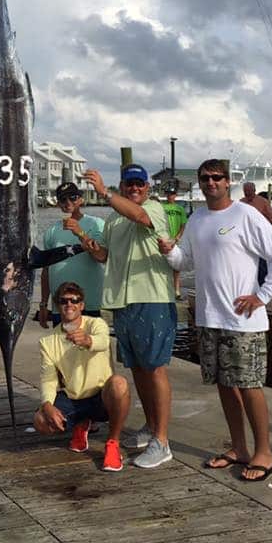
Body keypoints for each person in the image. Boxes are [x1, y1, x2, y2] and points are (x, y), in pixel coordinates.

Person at [160, 159, 272, 482]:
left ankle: (264, 453)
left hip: (242, 320)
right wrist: (168, 252)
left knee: (249, 387)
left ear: (227, 180)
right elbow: (187, 261)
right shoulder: (197, 218)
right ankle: (239, 448)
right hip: (209, 317)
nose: (210, 183)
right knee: (223, 385)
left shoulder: (245, 215)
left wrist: (263, 295)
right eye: (205, 178)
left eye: (216, 178)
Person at [82, 164, 176, 469]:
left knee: (155, 368)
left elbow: (139, 217)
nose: (135, 188)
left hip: (151, 298)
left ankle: (162, 441)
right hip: (122, 303)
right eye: (129, 183)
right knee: (137, 367)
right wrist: (90, 246)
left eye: (139, 183)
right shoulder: (112, 219)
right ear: (123, 186)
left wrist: (103, 192)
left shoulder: (153, 209)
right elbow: (104, 255)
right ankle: (150, 426)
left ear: (147, 188)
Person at [34, 281, 129, 472]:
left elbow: (103, 341)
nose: (70, 304)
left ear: (82, 305)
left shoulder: (96, 324)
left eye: (74, 300)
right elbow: (48, 378)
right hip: (74, 399)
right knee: (40, 421)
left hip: (101, 397)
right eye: (64, 301)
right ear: (58, 306)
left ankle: (113, 443)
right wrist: (47, 405)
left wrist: (88, 340)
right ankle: (81, 423)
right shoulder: (48, 341)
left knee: (119, 384)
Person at [38, 181, 104, 328]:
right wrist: (43, 304)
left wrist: (80, 233)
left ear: (80, 199)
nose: (68, 202)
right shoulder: (51, 231)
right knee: (62, 350)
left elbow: (101, 257)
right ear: (58, 203)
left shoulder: (96, 224)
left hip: (89, 305)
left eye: (73, 197)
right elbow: (46, 270)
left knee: (89, 348)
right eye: (63, 199)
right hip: (60, 307)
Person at [240, 181, 272, 285]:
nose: (247, 194)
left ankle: (264, 285)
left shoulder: (263, 202)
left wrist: (264, 231)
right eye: (246, 192)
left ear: (254, 191)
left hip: (260, 238)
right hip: (246, 238)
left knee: (262, 264)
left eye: (249, 192)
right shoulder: (240, 203)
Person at [162, 186, 188, 300]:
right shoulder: (161, 207)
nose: (170, 196)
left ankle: (177, 291)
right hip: (165, 239)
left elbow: (183, 225)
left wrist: (177, 237)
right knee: (163, 265)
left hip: (176, 240)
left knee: (176, 266)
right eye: (168, 194)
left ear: (175, 195)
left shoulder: (180, 209)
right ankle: (164, 290)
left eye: (172, 194)